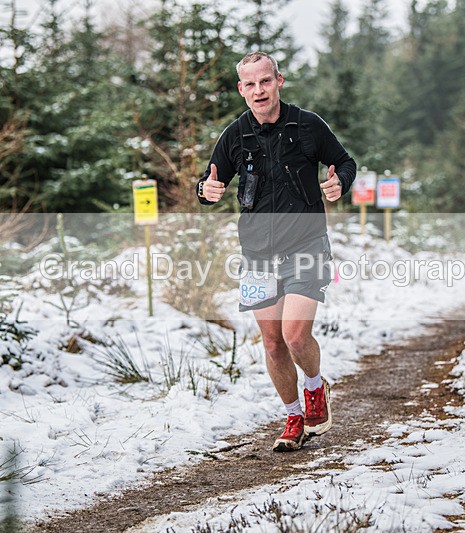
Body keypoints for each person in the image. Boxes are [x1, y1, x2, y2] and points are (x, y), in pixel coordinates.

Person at [196, 51, 356, 452]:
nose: (258, 90)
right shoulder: (235, 136)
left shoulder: (307, 125)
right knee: (271, 344)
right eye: (249, 84)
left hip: (306, 245)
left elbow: (344, 162)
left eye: (265, 81)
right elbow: (209, 181)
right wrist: (206, 190)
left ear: (278, 81)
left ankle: (315, 387)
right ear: (241, 90)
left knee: (296, 335)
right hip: (257, 256)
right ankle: (292, 415)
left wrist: (340, 183)